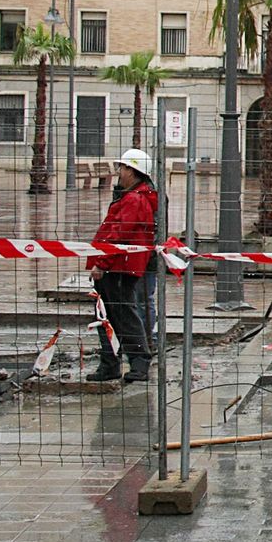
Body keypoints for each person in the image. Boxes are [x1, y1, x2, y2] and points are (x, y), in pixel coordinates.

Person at [87, 149, 158, 383]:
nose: (120, 172)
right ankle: (113, 363)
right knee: (110, 315)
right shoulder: (135, 196)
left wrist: (101, 263)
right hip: (119, 266)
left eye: (123, 168)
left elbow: (119, 234)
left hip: (117, 268)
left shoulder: (134, 199)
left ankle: (134, 362)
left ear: (133, 171)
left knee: (120, 315)